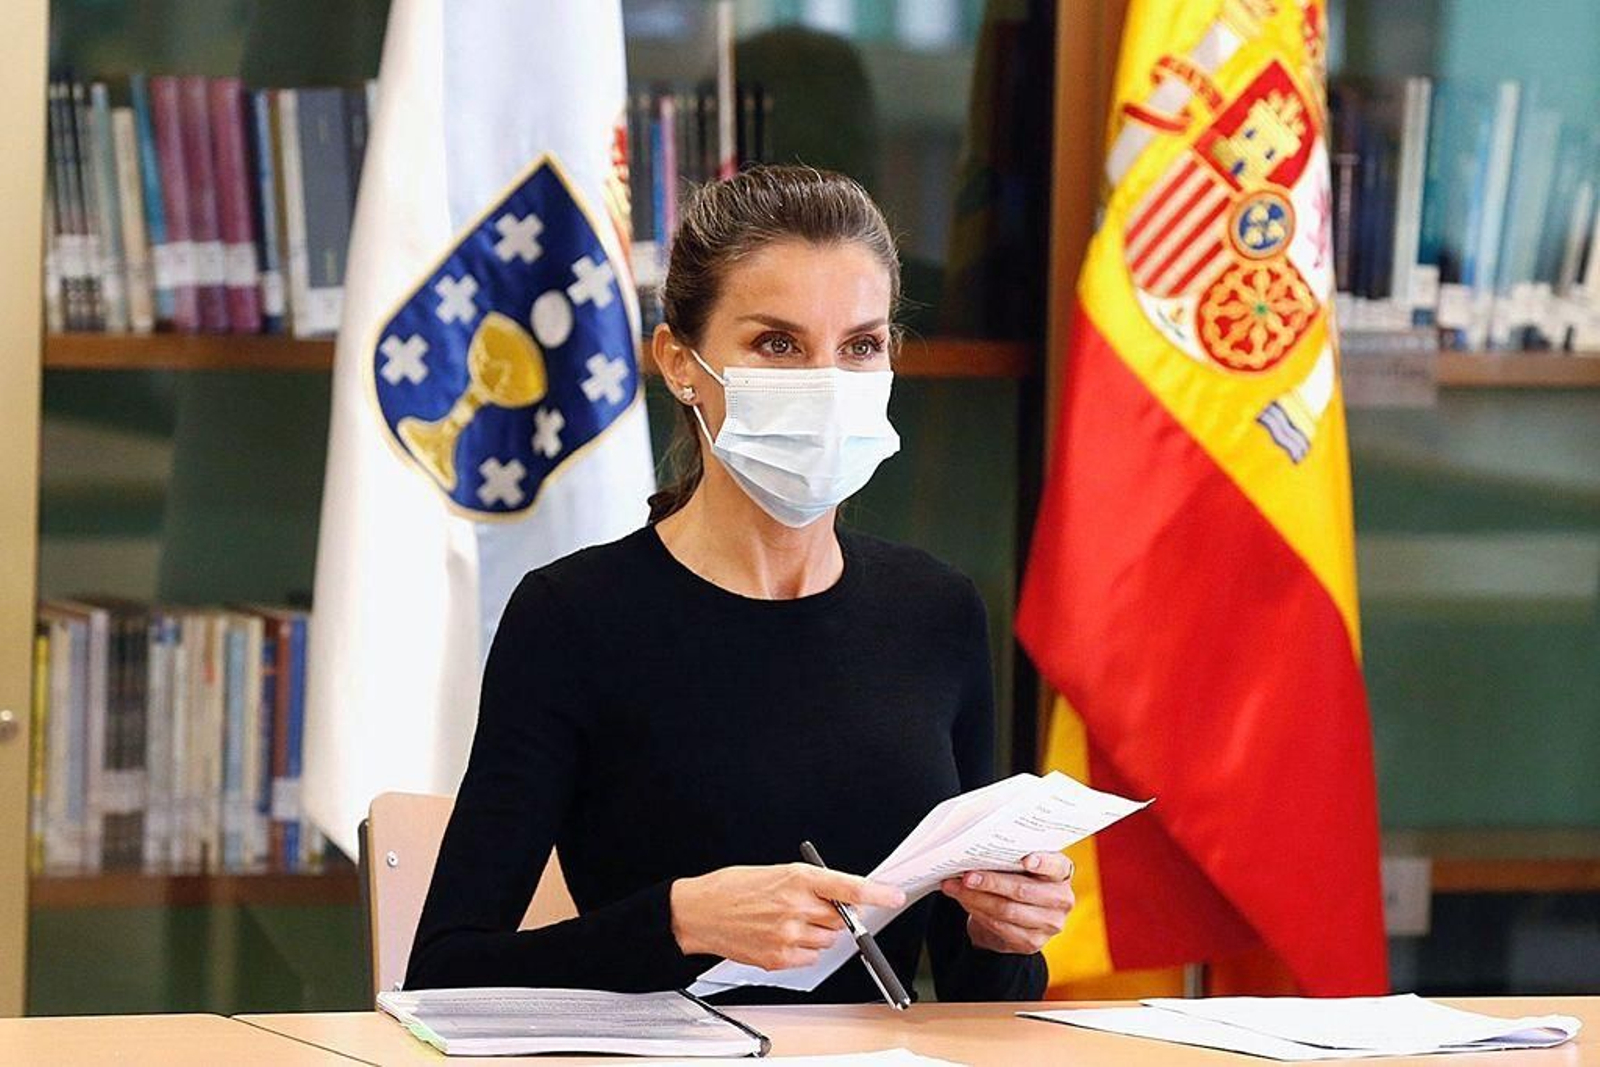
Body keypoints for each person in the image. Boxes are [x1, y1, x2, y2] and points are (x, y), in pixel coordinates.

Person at [405, 165, 1073, 1004]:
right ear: (681, 363)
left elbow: (980, 995)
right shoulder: (573, 618)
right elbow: (443, 977)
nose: (827, 382)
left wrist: (1003, 929)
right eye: (778, 343)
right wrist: (680, 921)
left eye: (860, 345)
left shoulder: (937, 612)